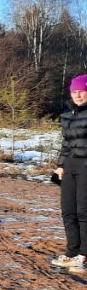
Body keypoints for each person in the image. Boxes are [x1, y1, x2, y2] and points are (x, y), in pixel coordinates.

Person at [52, 74, 87, 274]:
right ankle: (72, 252)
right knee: (68, 211)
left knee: (84, 212)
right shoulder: (68, 114)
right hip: (70, 166)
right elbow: (66, 143)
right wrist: (60, 165)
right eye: (74, 91)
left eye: (81, 91)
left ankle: (84, 255)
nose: (78, 95)